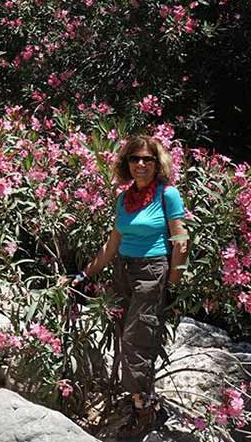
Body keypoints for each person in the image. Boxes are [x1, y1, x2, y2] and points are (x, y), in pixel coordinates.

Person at [75, 136, 188, 438]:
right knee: (127, 336)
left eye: (147, 159)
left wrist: (172, 284)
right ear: (126, 163)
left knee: (137, 340)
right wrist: (84, 275)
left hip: (152, 270)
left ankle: (144, 412)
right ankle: (140, 401)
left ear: (157, 163)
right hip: (123, 269)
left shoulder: (168, 194)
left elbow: (181, 242)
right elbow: (113, 244)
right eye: (134, 159)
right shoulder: (123, 199)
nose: (140, 164)